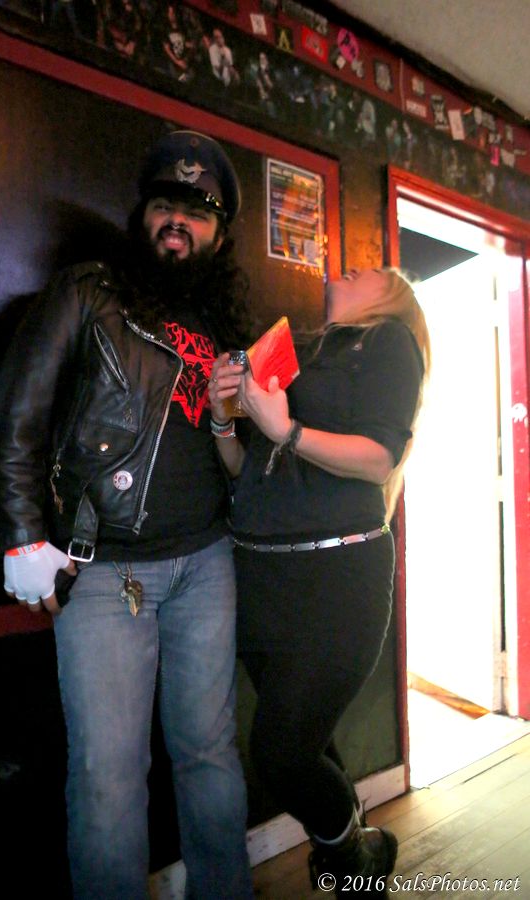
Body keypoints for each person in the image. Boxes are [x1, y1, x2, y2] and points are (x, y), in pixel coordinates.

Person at [0, 130, 255, 900]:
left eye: (198, 211)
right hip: (105, 571)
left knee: (210, 754)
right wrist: (20, 535)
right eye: (166, 204)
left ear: (220, 233)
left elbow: (239, 457)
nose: (179, 221)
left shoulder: (227, 326)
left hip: (208, 563)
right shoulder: (89, 291)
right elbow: (16, 414)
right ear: (143, 215)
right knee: (107, 775)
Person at [208, 268, 430, 897]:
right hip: (261, 580)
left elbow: (379, 458)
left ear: (390, 300)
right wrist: (224, 420)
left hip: (336, 580)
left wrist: (287, 429)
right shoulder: (297, 348)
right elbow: (247, 470)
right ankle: (352, 857)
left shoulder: (388, 340)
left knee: (278, 752)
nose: (354, 268)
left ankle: (352, 853)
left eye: (374, 272)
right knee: (303, 739)